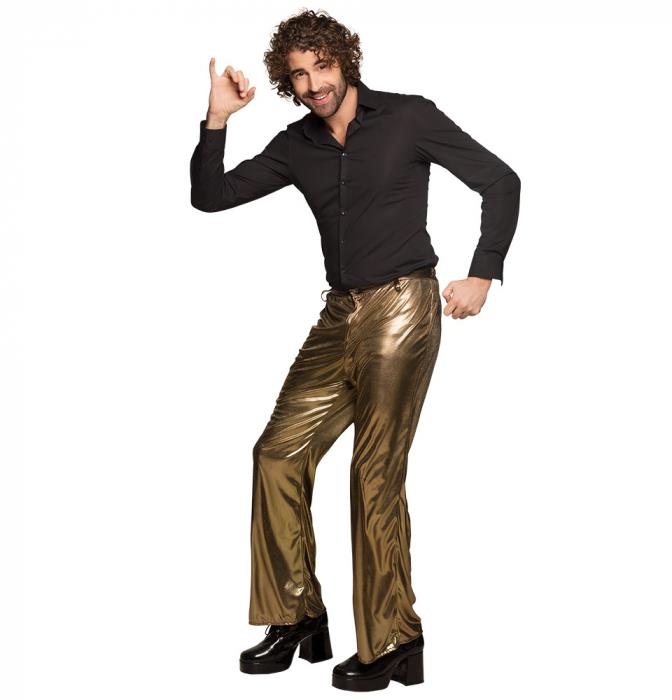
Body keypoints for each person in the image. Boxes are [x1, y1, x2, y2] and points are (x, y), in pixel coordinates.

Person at [189, 9, 520, 692]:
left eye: (323, 67)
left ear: (345, 61)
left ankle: (395, 638)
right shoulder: (296, 145)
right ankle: (297, 617)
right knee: (276, 455)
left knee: (372, 473)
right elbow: (211, 196)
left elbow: (500, 180)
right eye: (298, 75)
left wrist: (482, 273)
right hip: (339, 314)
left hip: (403, 305)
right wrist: (217, 119)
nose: (314, 84)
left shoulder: (408, 116)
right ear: (286, 82)